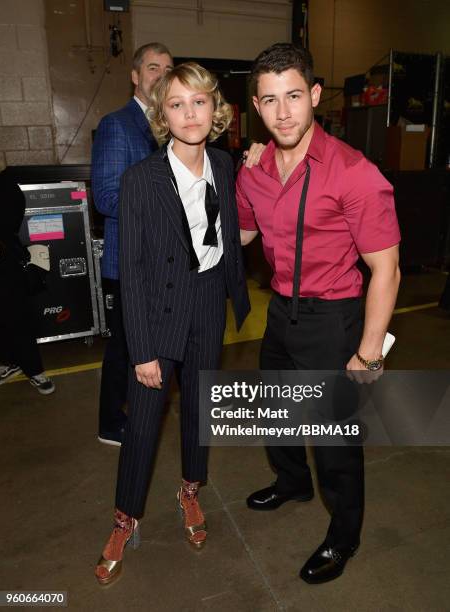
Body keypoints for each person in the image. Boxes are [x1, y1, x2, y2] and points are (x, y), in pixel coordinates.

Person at [237, 43, 401, 584]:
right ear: (255, 107)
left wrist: (368, 351)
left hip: (333, 318)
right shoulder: (254, 170)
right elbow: (242, 233)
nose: (283, 112)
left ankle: (343, 535)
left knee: (333, 440)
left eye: (293, 96)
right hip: (280, 310)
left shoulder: (354, 173)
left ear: (312, 96)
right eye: (269, 100)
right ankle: (291, 482)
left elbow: (387, 269)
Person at [94, 62, 250, 586]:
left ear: (216, 109)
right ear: (163, 113)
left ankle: (190, 490)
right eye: (177, 104)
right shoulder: (141, 179)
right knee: (142, 421)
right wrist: (141, 349)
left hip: (208, 302)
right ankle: (124, 518)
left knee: (199, 410)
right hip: (157, 310)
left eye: (199, 101)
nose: (189, 113)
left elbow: (231, 231)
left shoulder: (226, 166)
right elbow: (132, 273)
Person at [91, 42, 174, 446]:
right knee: (125, 346)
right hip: (130, 261)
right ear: (136, 76)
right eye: (153, 68)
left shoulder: (169, 125)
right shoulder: (117, 124)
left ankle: (138, 410)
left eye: (168, 69)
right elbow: (106, 197)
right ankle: (111, 421)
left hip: (160, 261)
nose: (161, 75)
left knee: (147, 344)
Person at [0, 166, 55, 395]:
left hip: (5, 262)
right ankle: (8, 363)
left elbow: (11, 219)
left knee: (17, 316)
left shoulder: (5, 186)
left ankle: (33, 370)